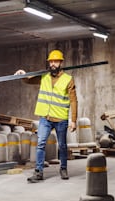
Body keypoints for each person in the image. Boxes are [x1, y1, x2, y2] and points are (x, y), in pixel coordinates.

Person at [15, 49, 78, 183]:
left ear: (61, 63)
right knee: (40, 144)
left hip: (61, 118)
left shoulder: (68, 79)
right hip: (45, 118)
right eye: (51, 62)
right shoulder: (44, 76)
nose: (53, 64)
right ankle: (38, 172)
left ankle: (63, 168)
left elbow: (73, 100)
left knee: (62, 145)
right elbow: (28, 80)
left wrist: (74, 120)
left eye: (56, 61)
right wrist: (23, 75)